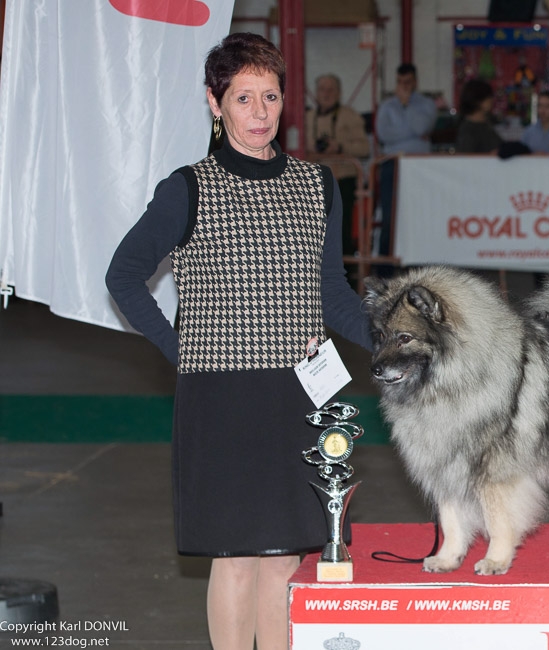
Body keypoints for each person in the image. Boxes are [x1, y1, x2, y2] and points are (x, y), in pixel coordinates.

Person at [105, 33, 371, 650]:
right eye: (243, 98)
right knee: (234, 557)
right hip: (221, 398)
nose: (259, 113)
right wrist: (183, 353)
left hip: (302, 394)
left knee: (283, 559)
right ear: (214, 103)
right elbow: (123, 275)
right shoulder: (188, 188)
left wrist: (393, 341)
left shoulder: (317, 184)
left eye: (270, 97)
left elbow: (331, 290)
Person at [374, 63, 437, 271]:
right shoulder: (387, 106)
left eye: (408, 82)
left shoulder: (427, 104)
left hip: (419, 168)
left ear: (415, 82)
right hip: (392, 164)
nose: (404, 87)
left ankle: (418, 269)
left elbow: (422, 126)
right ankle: (385, 272)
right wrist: (413, 134)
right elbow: (384, 134)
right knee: (390, 218)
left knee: (418, 217)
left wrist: (407, 104)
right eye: (400, 83)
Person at [304, 74, 370, 257]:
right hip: (313, 180)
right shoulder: (307, 118)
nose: (326, 93)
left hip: (342, 179)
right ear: (316, 93)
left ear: (339, 93)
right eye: (322, 89)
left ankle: (344, 274)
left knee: (341, 230)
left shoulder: (350, 116)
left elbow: (364, 148)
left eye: (331, 89)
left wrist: (339, 147)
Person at [455, 78, 501, 154]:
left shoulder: (486, 123)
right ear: (478, 101)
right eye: (488, 97)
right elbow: (465, 159)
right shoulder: (468, 130)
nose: (491, 100)